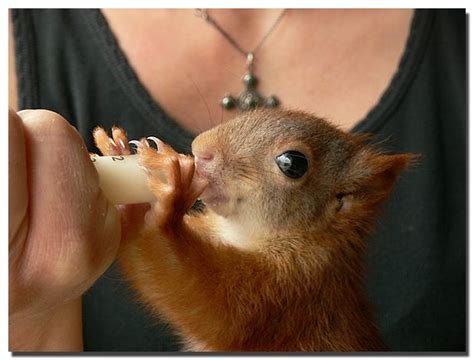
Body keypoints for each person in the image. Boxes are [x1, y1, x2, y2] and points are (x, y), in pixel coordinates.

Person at [8, 9, 466, 351]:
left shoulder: (301, 269)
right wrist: (138, 208)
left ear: (341, 200)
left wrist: (161, 223)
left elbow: (215, 315)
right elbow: (151, 260)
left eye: (290, 165)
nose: (202, 150)